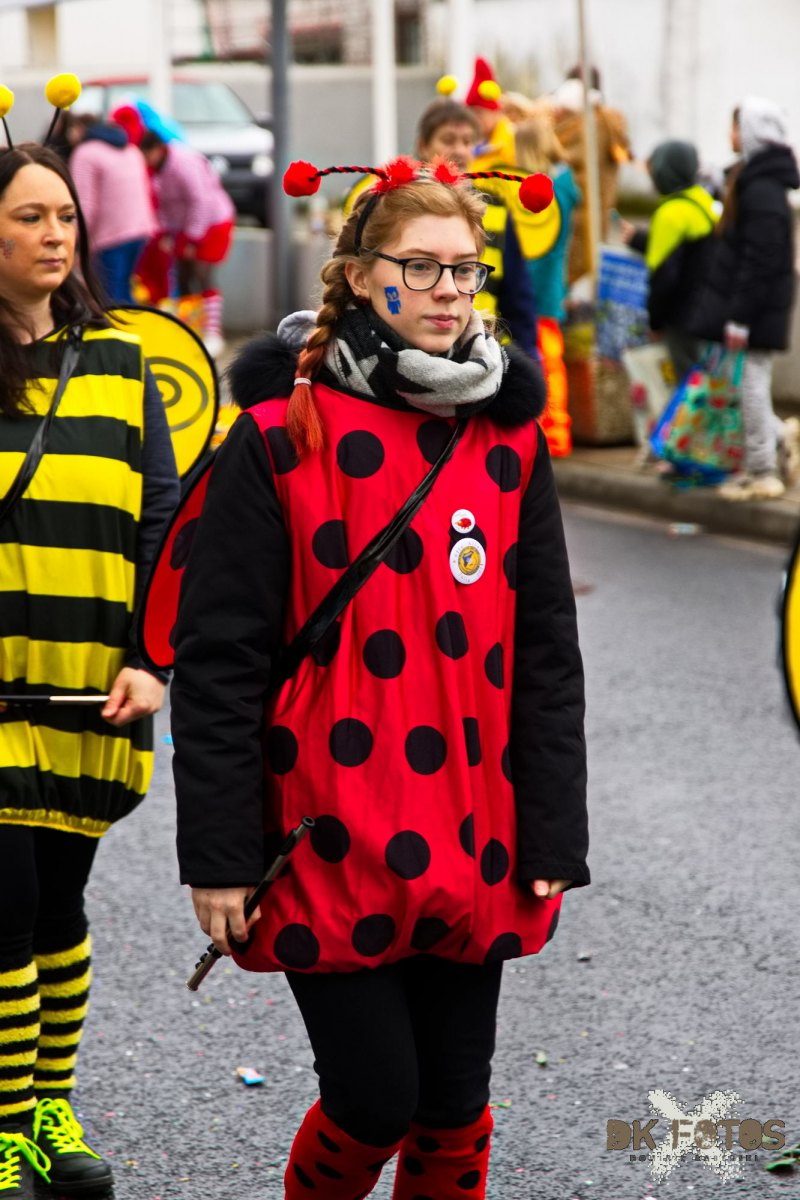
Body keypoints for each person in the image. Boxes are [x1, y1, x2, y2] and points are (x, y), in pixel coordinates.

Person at [169, 159, 589, 1199]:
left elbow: (544, 650)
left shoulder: (507, 439)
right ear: (360, 277)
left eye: (466, 269)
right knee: (373, 1099)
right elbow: (221, 662)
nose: (449, 290)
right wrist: (219, 856)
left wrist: (553, 832)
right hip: (326, 825)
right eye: (420, 266)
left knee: (454, 1103)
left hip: (474, 822)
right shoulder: (278, 436)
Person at [0, 143, 179, 1197]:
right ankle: (5, 1126)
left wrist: (154, 658)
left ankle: (49, 1111)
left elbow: (163, 518)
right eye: (29, 216)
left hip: (92, 685)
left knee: (58, 908)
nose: (55, 234)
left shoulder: (119, 359)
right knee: (6, 904)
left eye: (64, 215)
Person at [687, 97, 800, 500]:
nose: (731, 134)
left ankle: (762, 471)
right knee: (747, 386)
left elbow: (759, 261)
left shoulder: (762, 190)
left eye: (737, 126)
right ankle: (778, 439)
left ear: (752, 133)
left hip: (755, 312)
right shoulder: (757, 181)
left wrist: (740, 316)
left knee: (751, 386)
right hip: (754, 310)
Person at [415, 95, 540, 358]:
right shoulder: (403, 206)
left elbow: (517, 295)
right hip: (418, 346)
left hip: (483, 350)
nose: (459, 150)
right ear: (424, 145)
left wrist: (527, 362)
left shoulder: (495, 207)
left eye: (468, 141)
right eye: (448, 140)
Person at [621, 139, 718, 380]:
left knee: (686, 387)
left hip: (681, 318)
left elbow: (664, 277)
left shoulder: (669, 214)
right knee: (705, 383)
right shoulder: (703, 202)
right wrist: (639, 239)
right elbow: (690, 252)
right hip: (708, 312)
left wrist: (655, 322)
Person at [514, 113, 582, 455]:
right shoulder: (565, 186)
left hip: (536, 288)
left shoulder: (543, 193)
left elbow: (535, 248)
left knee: (545, 360)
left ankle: (552, 433)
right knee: (549, 360)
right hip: (550, 286)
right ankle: (553, 431)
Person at [138, 130, 236, 357]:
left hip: (212, 223)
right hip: (182, 227)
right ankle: (190, 328)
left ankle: (212, 333)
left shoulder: (184, 163)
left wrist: (193, 238)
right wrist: (165, 232)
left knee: (202, 274)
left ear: (157, 149)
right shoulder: (156, 169)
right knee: (182, 276)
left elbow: (200, 201)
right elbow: (163, 204)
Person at [550, 69, 632, 283]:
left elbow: (552, 152)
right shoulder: (610, 124)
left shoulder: (582, 127)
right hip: (598, 217)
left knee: (567, 274)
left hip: (572, 219)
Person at [66, 113, 157, 304]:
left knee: (110, 298)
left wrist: (73, 240)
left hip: (110, 235)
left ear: (81, 129)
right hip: (140, 230)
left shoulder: (85, 154)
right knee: (124, 290)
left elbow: (85, 205)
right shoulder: (131, 149)